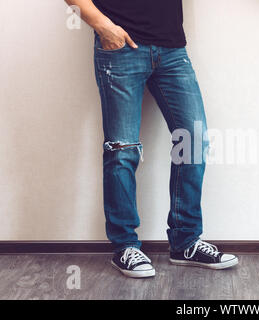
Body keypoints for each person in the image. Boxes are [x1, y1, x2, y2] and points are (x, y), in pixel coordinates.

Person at [64, 0, 238, 278]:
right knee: (122, 149)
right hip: (120, 48)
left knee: (192, 140)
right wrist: (103, 26)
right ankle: (125, 246)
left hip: (172, 49)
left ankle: (185, 242)